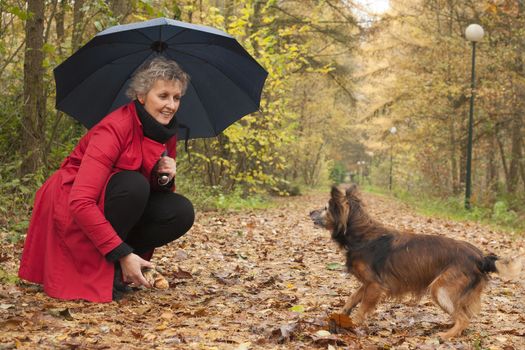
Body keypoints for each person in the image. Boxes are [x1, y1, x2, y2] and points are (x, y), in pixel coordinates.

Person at [18, 56, 195, 302]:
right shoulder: (113, 128)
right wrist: (122, 253)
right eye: (163, 96)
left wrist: (164, 177)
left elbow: (153, 194)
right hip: (71, 200)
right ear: (142, 96)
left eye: (176, 98)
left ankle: (119, 270)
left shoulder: (166, 132)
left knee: (180, 211)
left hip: (116, 199)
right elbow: (81, 201)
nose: (171, 105)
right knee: (134, 185)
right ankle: (114, 262)